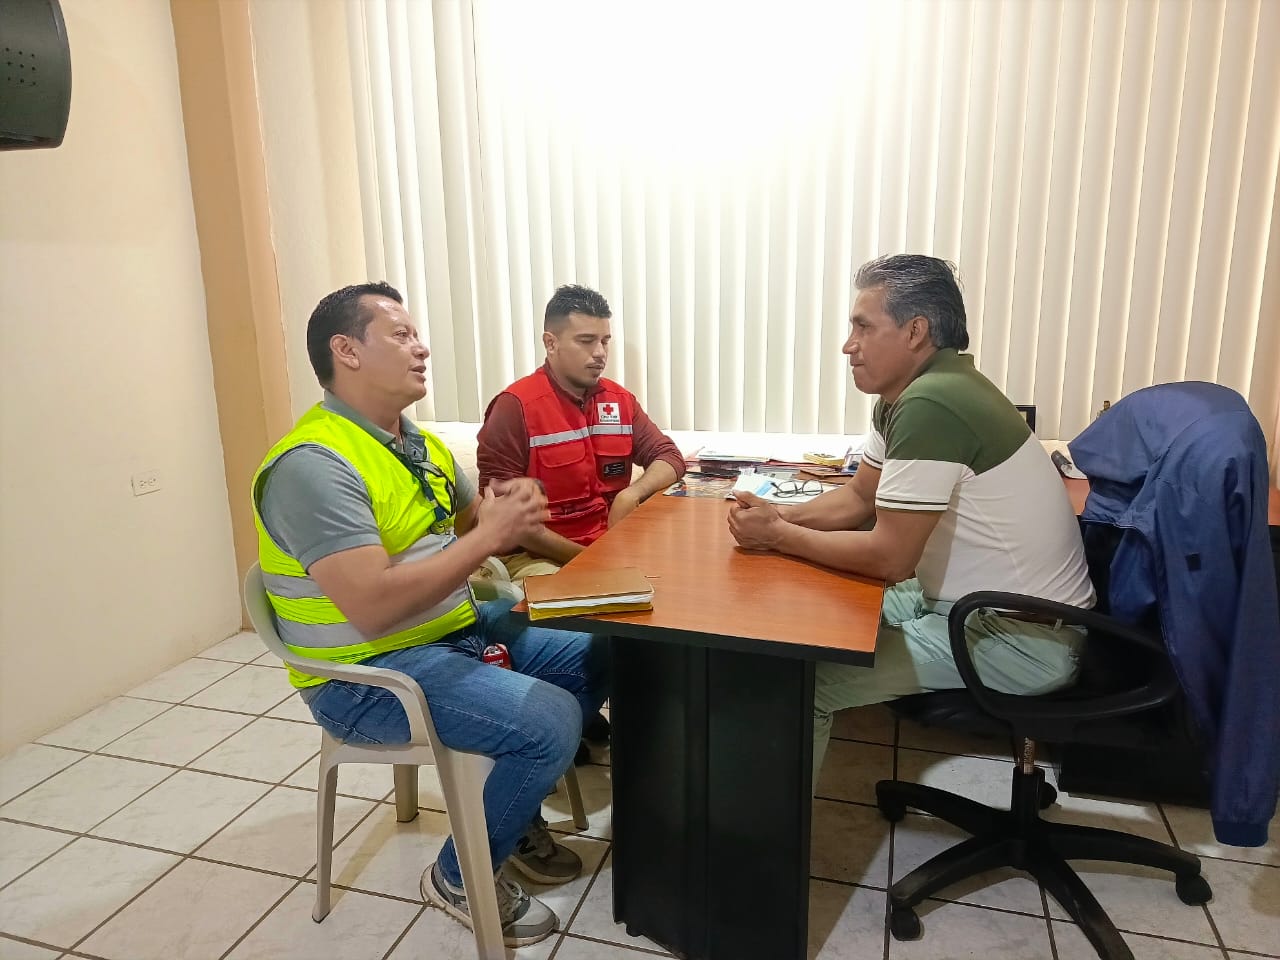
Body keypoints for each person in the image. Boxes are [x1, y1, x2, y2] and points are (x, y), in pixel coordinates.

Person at [251, 282, 609, 946]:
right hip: (366, 675)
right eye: (401, 335)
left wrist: (517, 518)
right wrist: (488, 535)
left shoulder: (416, 444)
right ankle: (455, 877)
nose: (422, 349)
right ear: (346, 351)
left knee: (607, 645)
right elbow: (372, 606)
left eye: (418, 335)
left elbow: (473, 525)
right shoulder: (313, 466)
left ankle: (508, 801)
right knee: (550, 720)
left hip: (452, 631)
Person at [726, 254, 1095, 780]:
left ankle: (765, 831)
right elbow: (859, 499)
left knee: (804, 685)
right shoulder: (908, 396)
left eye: (863, 327)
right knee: (812, 605)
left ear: (915, 331)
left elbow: (891, 559)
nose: (848, 345)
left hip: (1020, 641)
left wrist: (779, 536)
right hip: (963, 606)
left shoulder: (934, 404)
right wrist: (779, 515)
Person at [476, 284, 686, 580]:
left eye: (605, 341)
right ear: (551, 343)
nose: (600, 353)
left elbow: (669, 456)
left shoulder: (619, 399)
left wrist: (631, 494)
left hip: (611, 545)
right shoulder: (515, 407)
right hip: (538, 556)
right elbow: (506, 521)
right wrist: (593, 561)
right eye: (586, 341)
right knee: (592, 601)